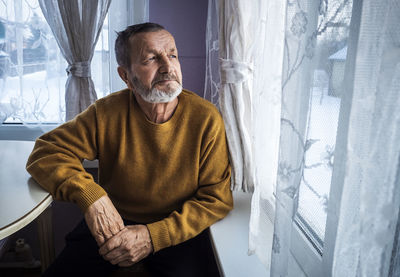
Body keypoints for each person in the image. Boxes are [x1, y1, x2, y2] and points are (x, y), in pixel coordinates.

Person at [26, 22, 233, 276]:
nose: (168, 67)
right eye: (151, 59)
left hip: (177, 231)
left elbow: (216, 199)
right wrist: (91, 196)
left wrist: (152, 236)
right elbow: (46, 152)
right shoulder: (106, 112)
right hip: (113, 223)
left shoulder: (206, 119)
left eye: (172, 55)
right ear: (126, 76)